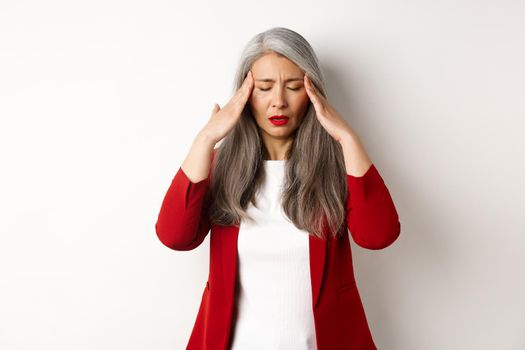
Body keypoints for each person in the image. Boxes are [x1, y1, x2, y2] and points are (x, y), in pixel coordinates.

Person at [155, 27, 401, 350]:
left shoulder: (337, 168)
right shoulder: (219, 168)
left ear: (313, 93)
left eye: (294, 86)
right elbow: (174, 235)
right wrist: (205, 139)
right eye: (265, 87)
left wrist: (347, 138)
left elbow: (379, 234)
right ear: (244, 95)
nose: (278, 102)